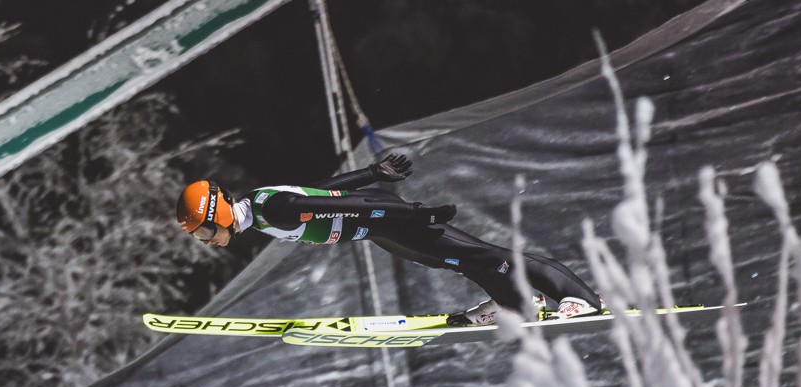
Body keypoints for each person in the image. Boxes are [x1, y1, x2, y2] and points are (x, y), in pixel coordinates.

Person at [174, 153, 603, 325]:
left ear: (217, 214)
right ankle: (515, 303)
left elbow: (352, 207)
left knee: (483, 254)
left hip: (384, 220)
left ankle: (581, 298)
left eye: (203, 231)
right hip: (381, 229)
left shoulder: (274, 211)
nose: (206, 241)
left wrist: (413, 214)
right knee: (456, 260)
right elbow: (320, 191)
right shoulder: (258, 207)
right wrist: (370, 173)